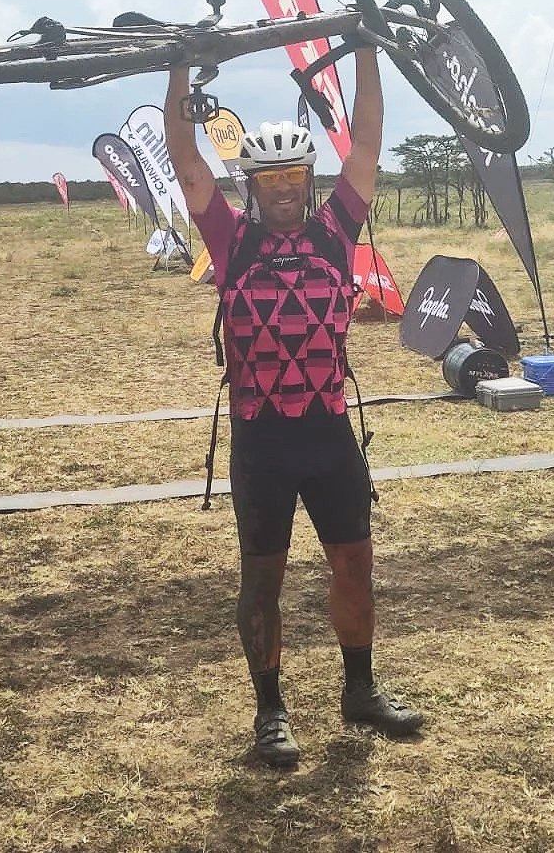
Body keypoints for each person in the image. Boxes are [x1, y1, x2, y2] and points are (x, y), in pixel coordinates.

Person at [164, 46, 425, 769]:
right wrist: (180, 66)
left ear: (311, 181)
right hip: (262, 442)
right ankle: (270, 712)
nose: (282, 190)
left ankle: (360, 692)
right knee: (263, 581)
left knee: (354, 565)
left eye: (293, 177)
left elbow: (367, 140)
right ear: (250, 186)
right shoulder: (230, 238)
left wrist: (367, 49)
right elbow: (183, 152)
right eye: (268, 179)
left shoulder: (335, 230)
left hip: (329, 436)